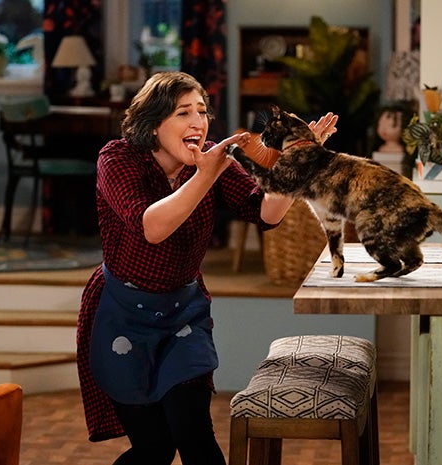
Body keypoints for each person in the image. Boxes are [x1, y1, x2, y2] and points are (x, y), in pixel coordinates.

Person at [76, 71, 338, 465]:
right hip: (121, 316)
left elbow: (264, 212)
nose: (198, 122)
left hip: (184, 313)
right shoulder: (118, 159)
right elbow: (153, 226)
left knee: (194, 430)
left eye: (201, 111)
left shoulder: (212, 160)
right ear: (153, 122)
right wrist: (205, 175)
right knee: (155, 449)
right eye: (184, 112)